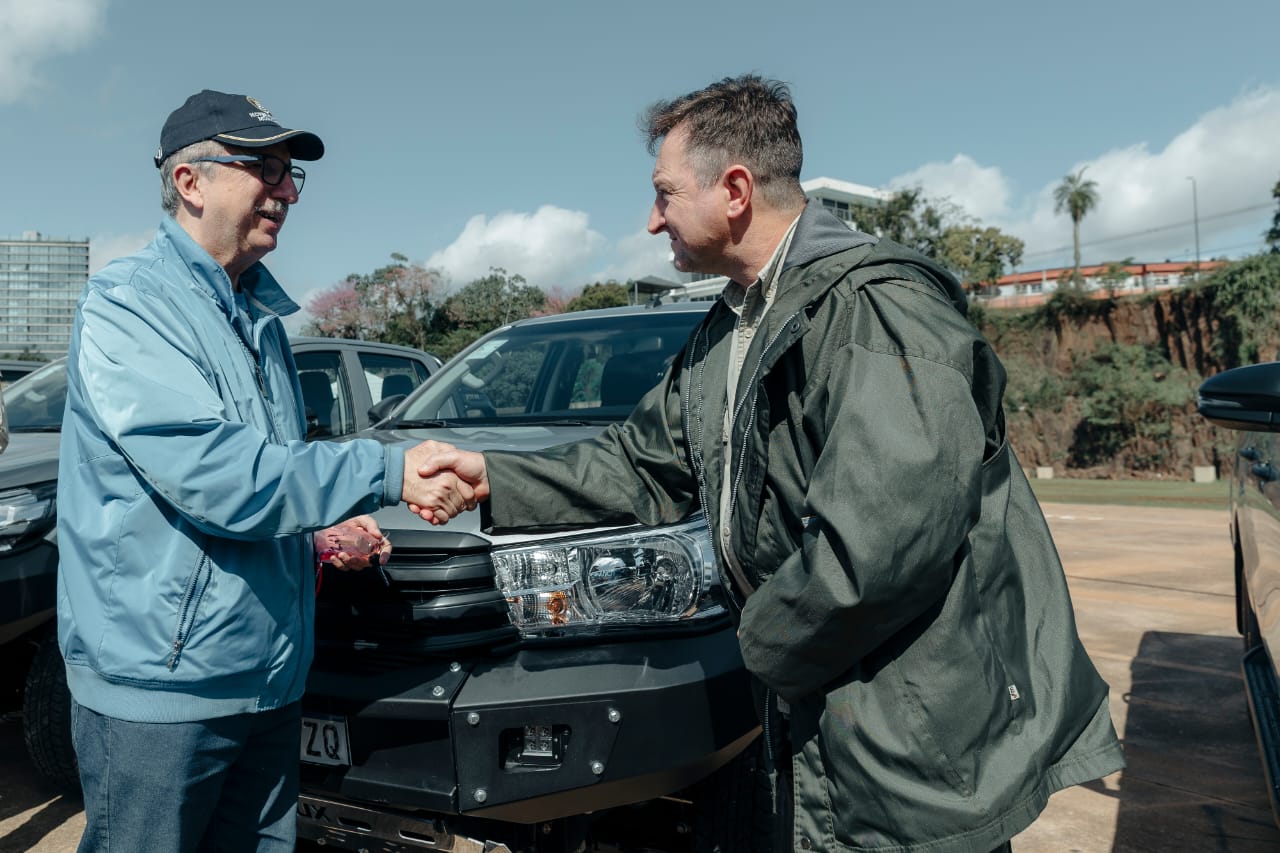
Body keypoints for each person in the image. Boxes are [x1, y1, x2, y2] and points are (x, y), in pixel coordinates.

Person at [414, 75, 1125, 852]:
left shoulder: (874, 309)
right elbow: (643, 461)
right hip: (824, 714)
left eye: (664, 193)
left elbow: (879, 546)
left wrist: (750, 646)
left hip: (911, 736)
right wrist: (496, 474)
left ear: (736, 190)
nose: (652, 221)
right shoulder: (730, 327)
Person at [57, 89, 472, 853]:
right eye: (264, 167)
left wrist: (318, 533)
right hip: (165, 690)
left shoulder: (263, 324)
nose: (285, 190)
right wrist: (385, 471)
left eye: (291, 175)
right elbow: (216, 476)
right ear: (190, 182)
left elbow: (265, 476)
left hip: (269, 680)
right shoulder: (129, 306)